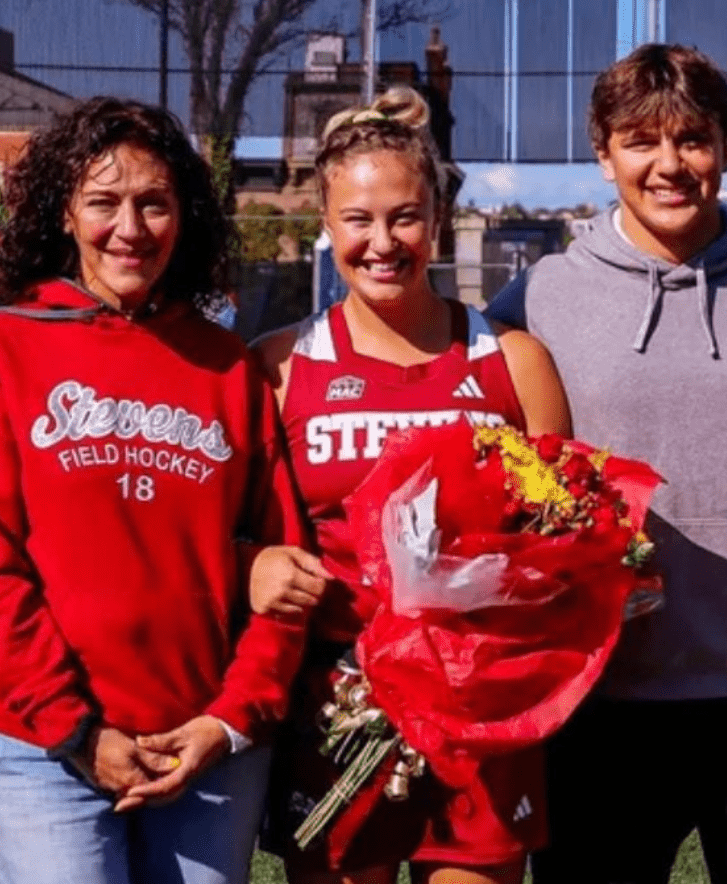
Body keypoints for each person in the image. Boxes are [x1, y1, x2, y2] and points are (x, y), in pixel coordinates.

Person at [486, 43, 727, 884]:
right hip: (602, 694)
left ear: (726, 146)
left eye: (693, 139)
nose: (669, 165)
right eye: (641, 141)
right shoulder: (540, 298)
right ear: (603, 150)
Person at [0, 96, 308, 884]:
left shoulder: (226, 365)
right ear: (64, 213)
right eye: (104, 202)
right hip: (45, 747)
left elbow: (288, 574)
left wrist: (232, 719)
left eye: (155, 203)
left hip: (207, 752)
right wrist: (75, 730)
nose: (131, 228)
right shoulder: (2, 347)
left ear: (185, 215)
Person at [252, 86, 572, 884]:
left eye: (404, 216)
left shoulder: (513, 359)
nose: (383, 241)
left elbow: (569, 533)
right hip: (337, 701)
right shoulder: (281, 365)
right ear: (325, 225)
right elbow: (239, 532)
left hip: (479, 711)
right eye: (358, 219)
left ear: (435, 216)